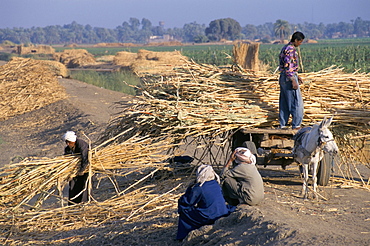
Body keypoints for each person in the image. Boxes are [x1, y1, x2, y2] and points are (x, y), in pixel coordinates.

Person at [176, 164, 235, 241]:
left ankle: (182, 235)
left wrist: (190, 188)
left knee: (184, 211)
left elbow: (187, 201)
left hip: (210, 215)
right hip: (222, 212)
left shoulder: (200, 187)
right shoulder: (215, 183)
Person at [278, 31, 305, 130]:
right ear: (296, 40)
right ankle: (296, 125)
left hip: (283, 77)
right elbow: (288, 66)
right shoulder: (290, 49)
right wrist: (293, 79)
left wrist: (297, 76)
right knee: (296, 102)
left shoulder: (285, 47)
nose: (300, 44)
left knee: (284, 102)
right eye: (300, 41)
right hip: (288, 78)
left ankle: (283, 124)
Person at [62, 131, 90, 205]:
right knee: (73, 186)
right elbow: (67, 160)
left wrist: (82, 170)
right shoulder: (67, 149)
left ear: (73, 141)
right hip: (74, 171)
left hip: (85, 169)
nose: (68, 144)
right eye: (66, 142)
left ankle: (84, 204)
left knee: (84, 186)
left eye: (69, 142)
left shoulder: (81, 145)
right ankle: (73, 205)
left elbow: (85, 158)